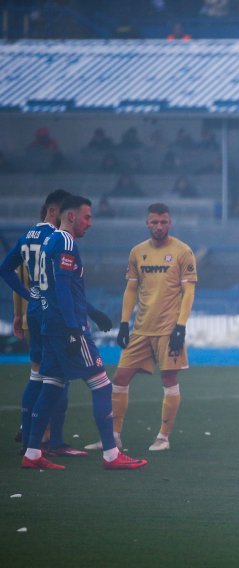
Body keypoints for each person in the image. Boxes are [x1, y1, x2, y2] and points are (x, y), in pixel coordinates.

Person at [22, 195, 146, 470]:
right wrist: (72, 328)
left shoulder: (49, 242)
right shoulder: (65, 241)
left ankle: (31, 453)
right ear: (70, 216)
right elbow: (63, 289)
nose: (90, 223)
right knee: (102, 384)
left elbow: (57, 287)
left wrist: (92, 311)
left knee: (52, 384)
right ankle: (112, 455)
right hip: (67, 324)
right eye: (87, 217)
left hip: (49, 323)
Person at [84, 203, 197, 452]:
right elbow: (131, 288)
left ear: (170, 223)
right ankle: (113, 437)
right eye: (154, 222)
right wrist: (124, 323)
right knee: (120, 378)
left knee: (169, 379)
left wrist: (181, 326)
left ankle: (163, 437)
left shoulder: (183, 251)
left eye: (163, 222)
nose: (159, 226)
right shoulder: (137, 251)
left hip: (168, 329)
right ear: (147, 223)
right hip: (141, 329)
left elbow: (189, 290)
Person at [0, 189, 95, 457]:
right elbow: (61, 284)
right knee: (58, 377)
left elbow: (7, 269)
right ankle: (53, 441)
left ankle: (30, 434)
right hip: (54, 313)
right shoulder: (56, 239)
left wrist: (25, 299)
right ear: (54, 211)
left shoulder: (28, 235)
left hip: (34, 310)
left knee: (37, 375)